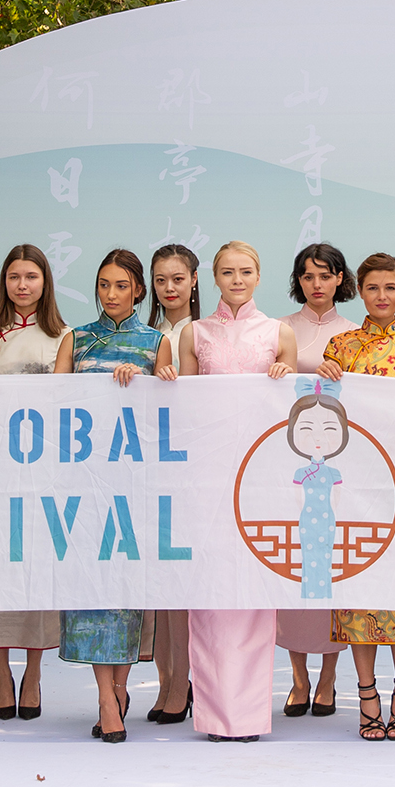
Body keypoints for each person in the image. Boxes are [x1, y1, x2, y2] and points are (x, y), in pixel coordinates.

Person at [154, 241, 296, 742]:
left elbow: (293, 413)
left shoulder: (279, 332)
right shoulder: (194, 333)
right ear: (212, 278)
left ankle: (251, 716)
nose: (237, 280)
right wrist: (168, 380)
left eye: (246, 271)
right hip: (208, 475)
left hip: (261, 476)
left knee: (255, 594)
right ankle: (215, 716)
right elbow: (187, 407)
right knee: (211, 594)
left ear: (258, 276)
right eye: (228, 272)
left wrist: (287, 376)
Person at [316, 252, 395, 740]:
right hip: (355, 486)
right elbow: (326, 417)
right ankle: (366, 692)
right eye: (373, 288)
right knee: (361, 589)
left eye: (391, 287)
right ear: (360, 291)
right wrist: (322, 380)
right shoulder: (340, 346)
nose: (382, 296)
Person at [0, 245, 73, 722]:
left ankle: (34, 672)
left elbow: (60, 400)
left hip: (41, 469)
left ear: (45, 282)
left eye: (31, 276)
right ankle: (1, 672)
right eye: (13, 277)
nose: (22, 285)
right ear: (3, 281)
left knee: (36, 571)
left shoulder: (63, 336)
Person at [68, 249, 166, 742]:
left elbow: (167, 410)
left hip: (134, 484)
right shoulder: (76, 338)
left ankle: (120, 689)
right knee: (90, 591)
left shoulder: (156, 342)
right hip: (84, 483)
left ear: (138, 291)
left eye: (121, 286)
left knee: (127, 590)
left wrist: (146, 384)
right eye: (104, 285)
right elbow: (53, 402)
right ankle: (105, 697)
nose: (111, 294)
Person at [275, 241, 355, 718]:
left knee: (331, 574)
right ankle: (298, 677)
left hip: (339, 466)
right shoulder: (279, 329)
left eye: (326, 275)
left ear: (340, 279)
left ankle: (328, 676)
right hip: (290, 465)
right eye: (308, 276)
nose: (317, 284)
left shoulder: (353, 334)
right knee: (294, 572)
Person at [141, 243, 199, 723]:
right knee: (158, 590)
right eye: (160, 280)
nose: (169, 288)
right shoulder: (144, 334)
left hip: (193, 466)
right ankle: (165, 682)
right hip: (147, 464)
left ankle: (184, 682)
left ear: (194, 280)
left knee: (184, 585)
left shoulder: (205, 332)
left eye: (178, 278)